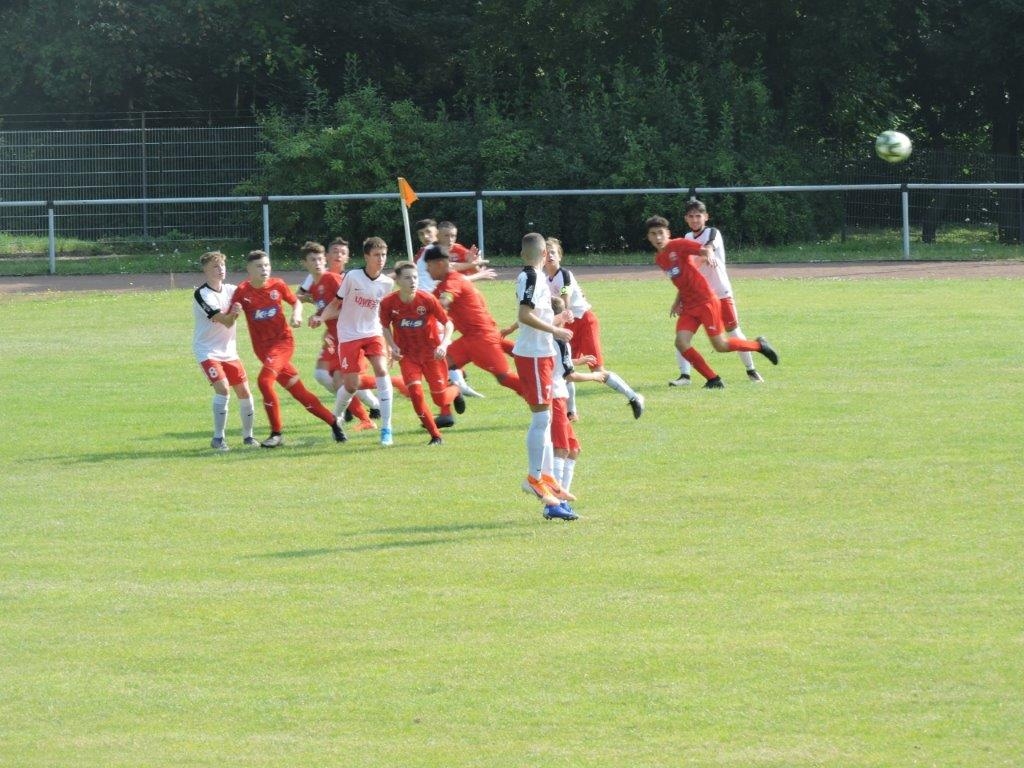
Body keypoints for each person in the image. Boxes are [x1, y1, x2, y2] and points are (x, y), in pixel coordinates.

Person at [230, 249, 347, 447]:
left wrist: (296, 314)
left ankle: (276, 434)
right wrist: (233, 312)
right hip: (263, 350)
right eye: (259, 266)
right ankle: (334, 423)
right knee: (299, 392)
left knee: (264, 381)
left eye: (266, 265)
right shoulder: (242, 291)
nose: (264, 269)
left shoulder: (278, 284)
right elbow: (228, 319)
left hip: (282, 344)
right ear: (249, 269)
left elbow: (296, 302)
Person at [646, 215, 778, 388]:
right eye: (653, 234)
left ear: (668, 233)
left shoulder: (678, 245)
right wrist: (677, 301)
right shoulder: (659, 259)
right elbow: (681, 280)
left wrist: (709, 255)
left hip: (705, 301)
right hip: (689, 306)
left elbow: (704, 250)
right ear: (648, 237)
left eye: (661, 233)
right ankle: (713, 379)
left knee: (720, 345)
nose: (658, 237)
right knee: (681, 342)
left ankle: (759, 345)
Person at [512, 232, 578, 521]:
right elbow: (524, 315)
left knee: (546, 419)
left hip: (541, 354)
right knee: (541, 418)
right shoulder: (531, 277)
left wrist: (557, 320)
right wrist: (556, 330)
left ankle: (546, 476)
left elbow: (536, 315)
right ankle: (533, 478)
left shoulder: (535, 277)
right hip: (534, 354)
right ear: (542, 254)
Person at [310, 236, 398, 446]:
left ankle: (386, 428)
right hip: (349, 335)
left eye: (384, 255)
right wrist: (320, 317)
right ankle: (336, 418)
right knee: (351, 385)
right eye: (376, 255)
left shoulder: (387, 283)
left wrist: (391, 345)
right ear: (366, 256)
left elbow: (384, 316)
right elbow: (335, 304)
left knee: (381, 371)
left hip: (373, 333)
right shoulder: (352, 277)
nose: (381, 259)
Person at [543, 237, 641, 421]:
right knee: (564, 369)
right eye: (546, 253)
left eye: (553, 253)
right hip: (566, 324)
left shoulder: (564, 275)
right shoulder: (544, 279)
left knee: (597, 370)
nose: (550, 256)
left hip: (584, 322)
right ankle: (571, 413)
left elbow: (564, 302)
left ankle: (634, 397)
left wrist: (555, 322)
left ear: (560, 256)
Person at [669, 200, 764, 385]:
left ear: (706, 217)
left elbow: (710, 246)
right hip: (695, 297)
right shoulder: (686, 238)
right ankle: (684, 376)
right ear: (686, 218)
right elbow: (687, 272)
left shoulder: (713, 232)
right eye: (691, 216)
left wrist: (709, 253)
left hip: (720, 293)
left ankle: (751, 370)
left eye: (698, 216)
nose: (695, 219)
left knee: (733, 332)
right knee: (681, 336)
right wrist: (678, 299)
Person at [423, 244, 525, 401]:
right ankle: (448, 406)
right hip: (471, 338)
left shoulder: (452, 281)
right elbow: (427, 304)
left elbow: (445, 300)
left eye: (429, 266)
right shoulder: (444, 284)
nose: (426, 270)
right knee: (439, 364)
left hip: (481, 338)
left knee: (504, 377)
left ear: (440, 264)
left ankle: (540, 396)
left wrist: (440, 304)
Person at [380, 260, 466, 445]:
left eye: (415, 277)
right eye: (407, 278)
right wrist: (392, 346)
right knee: (416, 394)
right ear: (398, 281)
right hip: (408, 356)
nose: (413, 281)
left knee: (440, 399)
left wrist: (443, 344)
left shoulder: (427, 299)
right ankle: (436, 436)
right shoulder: (388, 303)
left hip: (431, 354)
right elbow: (384, 326)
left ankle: (455, 390)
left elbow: (448, 324)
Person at [297, 241, 376, 432]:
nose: (317, 263)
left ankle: (368, 411)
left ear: (325, 260)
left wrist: (321, 317)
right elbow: (309, 300)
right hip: (334, 336)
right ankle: (371, 409)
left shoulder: (333, 279)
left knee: (340, 379)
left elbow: (353, 307)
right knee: (326, 376)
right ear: (304, 264)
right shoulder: (315, 284)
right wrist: (311, 311)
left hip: (349, 335)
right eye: (312, 260)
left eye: (319, 259)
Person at [191, 250, 257, 451]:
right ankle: (218, 439)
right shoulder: (202, 294)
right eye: (215, 266)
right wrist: (235, 313)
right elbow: (226, 322)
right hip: (208, 351)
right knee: (223, 389)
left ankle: (248, 437)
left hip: (229, 352)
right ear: (205, 270)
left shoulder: (231, 290)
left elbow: (252, 293)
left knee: (244, 392)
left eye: (222, 265)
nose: (220, 269)